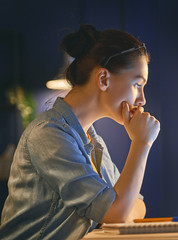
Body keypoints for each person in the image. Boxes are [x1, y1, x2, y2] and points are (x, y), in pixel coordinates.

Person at [0, 24, 160, 239]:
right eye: (137, 84)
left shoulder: (92, 140)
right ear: (103, 79)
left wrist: (115, 210)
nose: (142, 100)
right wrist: (141, 143)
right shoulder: (48, 134)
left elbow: (137, 205)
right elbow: (119, 211)